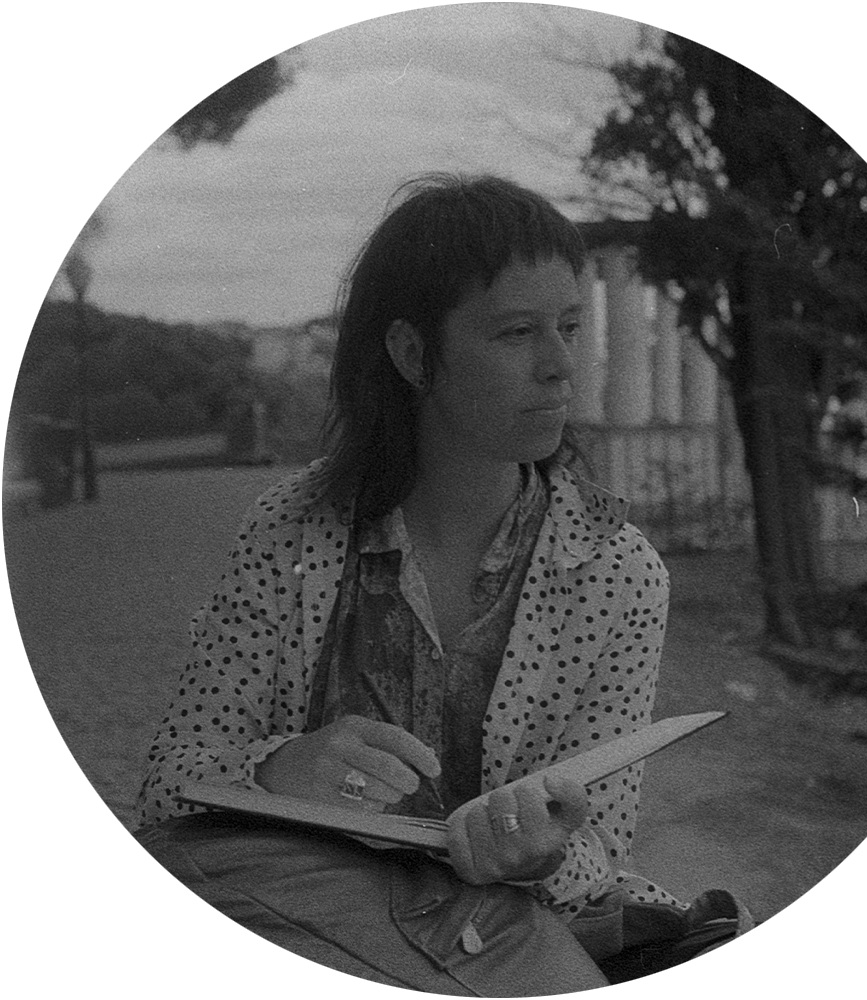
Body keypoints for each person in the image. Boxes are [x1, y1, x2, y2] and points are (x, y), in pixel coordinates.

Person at [135, 174, 750, 994]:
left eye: (570, 327)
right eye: (518, 332)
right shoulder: (292, 528)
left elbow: (600, 849)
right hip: (292, 911)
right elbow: (167, 782)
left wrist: (539, 854)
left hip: (496, 933)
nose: (561, 366)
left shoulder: (619, 571)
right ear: (412, 354)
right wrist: (280, 767)